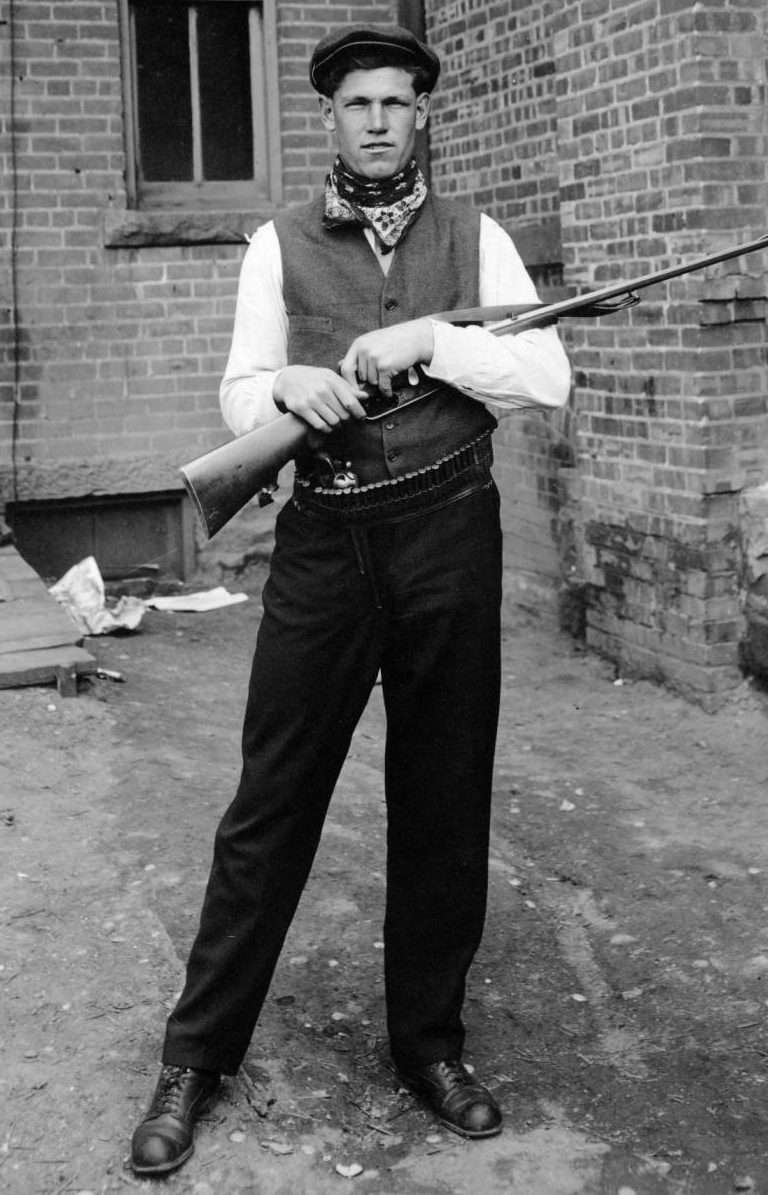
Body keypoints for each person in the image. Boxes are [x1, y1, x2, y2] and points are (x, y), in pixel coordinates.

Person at [130, 22, 570, 1176]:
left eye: (396, 103)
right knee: (269, 805)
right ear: (327, 118)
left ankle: (428, 1044)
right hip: (324, 548)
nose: (377, 122)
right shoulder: (276, 246)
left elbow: (545, 375)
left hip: (447, 537)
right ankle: (197, 1057)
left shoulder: (478, 236)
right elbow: (237, 394)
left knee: (442, 797)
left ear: (422, 115)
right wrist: (288, 382)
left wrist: (436, 338)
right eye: (356, 105)